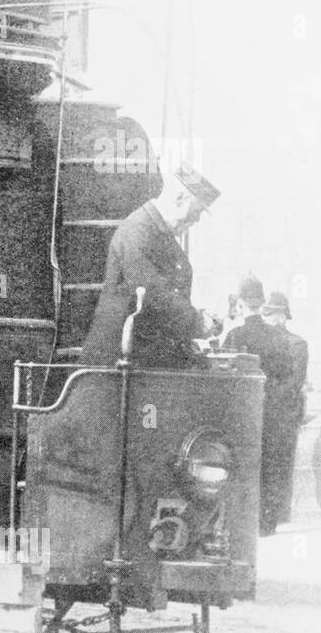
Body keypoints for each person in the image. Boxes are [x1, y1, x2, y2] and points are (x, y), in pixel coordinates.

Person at [80, 164, 222, 368]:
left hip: (143, 356)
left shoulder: (157, 232)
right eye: (196, 211)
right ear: (180, 198)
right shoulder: (138, 230)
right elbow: (152, 291)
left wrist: (199, 317)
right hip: (120, 361)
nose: (197, 219)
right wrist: (197, 321)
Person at [222, 277, 294, 536]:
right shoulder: (278, 337)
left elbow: (225, 378)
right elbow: (287, 373)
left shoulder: (234, 335)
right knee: (269, 464)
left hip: (243, 412)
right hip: (271, 409)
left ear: (240, 303)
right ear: (262, 302)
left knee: (242, 462)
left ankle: (242, 521)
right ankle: (267, 523)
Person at [260, 290, 308, 532]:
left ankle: (271, 519)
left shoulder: (297, 344)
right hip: (260, 412)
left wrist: (267, 398)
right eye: (266, 312)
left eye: (273, 313)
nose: (268, 317)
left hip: (280, 415)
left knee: (277, 466)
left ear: (283, 316)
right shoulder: (260, 341)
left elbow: (294, 383)